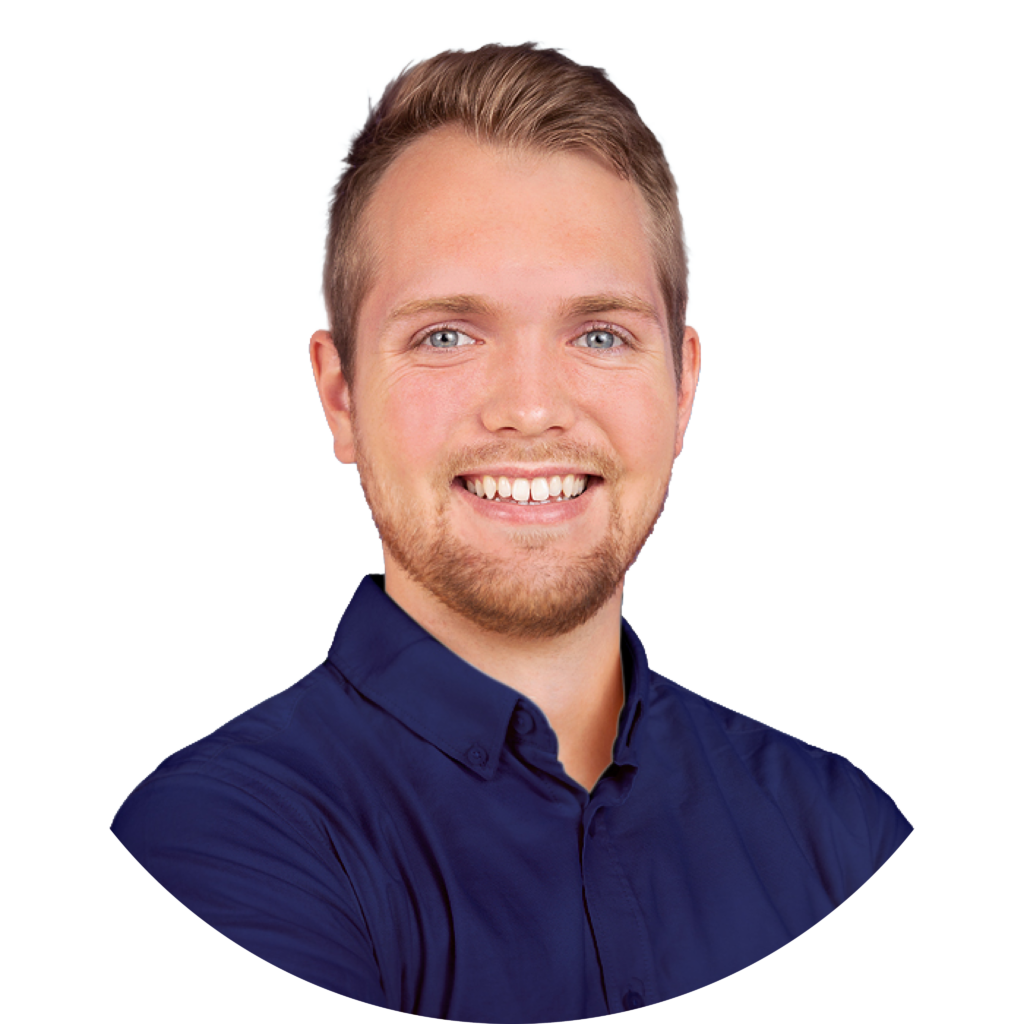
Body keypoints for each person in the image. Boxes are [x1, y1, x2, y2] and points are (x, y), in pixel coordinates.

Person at [109, 39, 913, 1018]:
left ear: (683, 385)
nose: (530, 409)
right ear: (339, 395)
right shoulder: (216, 839)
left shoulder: (842, 829)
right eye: (447, 333)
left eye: (599, 333)